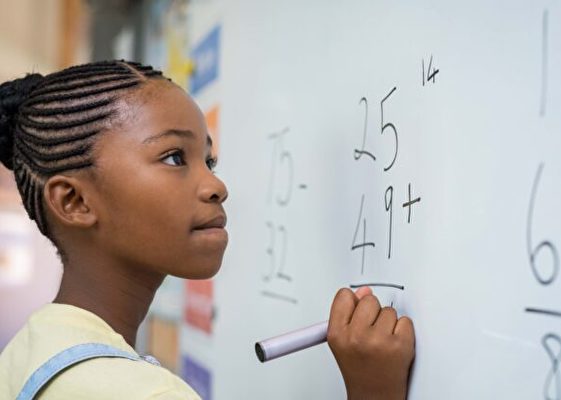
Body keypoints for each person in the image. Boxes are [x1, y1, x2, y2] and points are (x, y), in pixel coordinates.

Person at [0, 60, 415, 399]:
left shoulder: (30, 351)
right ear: (74, 201)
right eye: (174, 158)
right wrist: (373, 393)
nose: (217, 186)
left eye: (209, 161)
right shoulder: (143, 394)